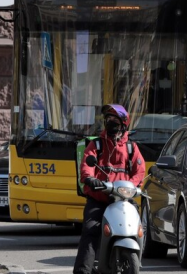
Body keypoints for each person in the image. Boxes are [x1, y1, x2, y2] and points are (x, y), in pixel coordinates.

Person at [73, 104, 145, 274]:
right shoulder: (96, 145)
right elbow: (86, 165)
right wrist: (90, 179)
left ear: (123, 124)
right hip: (99, 198)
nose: (111, 123)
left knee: (137, 228)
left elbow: (140, 170)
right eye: (108, 120)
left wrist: (133, 185)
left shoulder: (131, 147)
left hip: (123, 199)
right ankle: (82, 271)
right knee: (91, 230)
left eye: (115, 120)